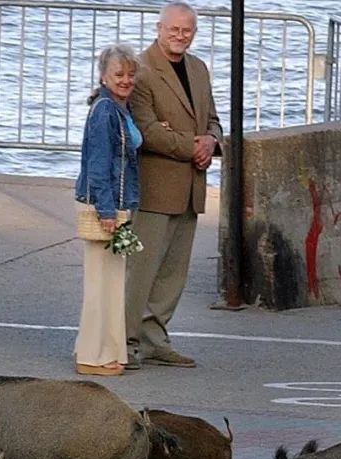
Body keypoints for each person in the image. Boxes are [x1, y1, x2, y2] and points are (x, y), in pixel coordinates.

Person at [125, 0, 223, 369]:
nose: (181, 36)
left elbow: (212, 120)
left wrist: (212, 142)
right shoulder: (141, 70)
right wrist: (192, 146)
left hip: (191, 186)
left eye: (187, 31)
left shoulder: (198, 69)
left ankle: (155, 339)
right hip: (156, 186)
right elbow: (145, 130)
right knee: (141, 270)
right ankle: (127, 342)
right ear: (159, 28)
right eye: (175, 30)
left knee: (172, 274)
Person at [72, 44, 142, 376]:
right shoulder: (104, 112)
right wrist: (106, 210)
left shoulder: (119, 109)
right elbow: (98, 164)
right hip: (107, 205)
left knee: (111, 282)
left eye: (130, 74)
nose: (126, 80)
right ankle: (91, 355)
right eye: (119, 74)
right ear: (103, 76)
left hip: (119, 203)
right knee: (101, 283)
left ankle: (106, 351)